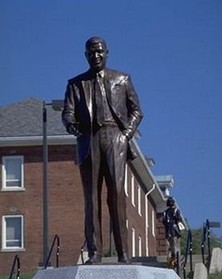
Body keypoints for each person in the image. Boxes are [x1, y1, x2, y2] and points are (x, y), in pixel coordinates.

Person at [62, 36, 143, 264]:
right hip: (89, 139)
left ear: (107, 53)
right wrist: (70, 124)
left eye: (99, 52)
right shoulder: (76, 84)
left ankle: (123, 253)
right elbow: (67, 112)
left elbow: (136, 110)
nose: (95, 56)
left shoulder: (122, 79)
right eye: (90, 53)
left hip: (114, 136)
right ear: (86, 56)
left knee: (116, 195)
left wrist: (125, 135)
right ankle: (95, 253)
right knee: (91, 199)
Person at [163, 197, 182, 267]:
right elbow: (179, 219)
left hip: (168, 232)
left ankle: (170, 262)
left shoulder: (165, 212)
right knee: (176, 247)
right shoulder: (176, 210)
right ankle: (177, 262)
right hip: (175, 231)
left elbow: (164, 222)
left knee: (170, 247)